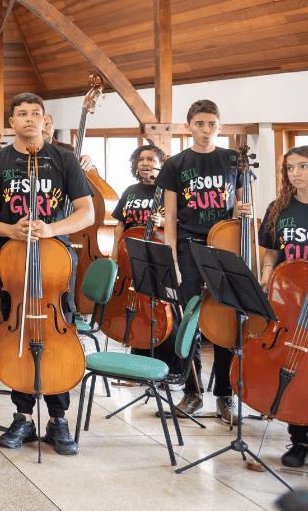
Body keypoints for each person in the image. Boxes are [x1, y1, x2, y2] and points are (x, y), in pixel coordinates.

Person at [0, 92, 93, 456]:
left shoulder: (64, 158)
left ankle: (59, 420)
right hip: (11, 262)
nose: (28, 119)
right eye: (21, 114)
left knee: (56, 335)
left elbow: (86, 213)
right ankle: (22, 416)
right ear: (11, 123)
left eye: (35, 113)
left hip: (55, 262)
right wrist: (12, 231)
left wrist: (52, 230)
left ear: (44, 120)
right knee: (19, 333)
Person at [156, 99, 248, 424]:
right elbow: (169, 218)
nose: (206, 130)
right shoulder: (175, 164)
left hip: (223, 248)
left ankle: (226, 396)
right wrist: (173, 261)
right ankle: (192, 392)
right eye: (200, 124)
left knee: (224, 322)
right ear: (189, 126)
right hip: (188, 248)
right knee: (189, 322)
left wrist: (243, 210)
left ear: (219, 127)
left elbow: (239, 210)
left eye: (212, 124)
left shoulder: (234, 160)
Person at [258, 146, 308, 468]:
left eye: (303, 166)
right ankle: (300, 440)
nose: (296, 173)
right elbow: (271, 253)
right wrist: (265, 275)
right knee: (294, 364)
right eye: (290, 168)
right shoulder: (279, 208)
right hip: (290, 300)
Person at [109, 144, 166, 356]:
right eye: (141, 159)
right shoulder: (130, 191)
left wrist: (162, 221)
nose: (145, 163)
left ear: (161, 165)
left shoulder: (168, 192)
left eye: (151, 159)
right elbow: (120, 226)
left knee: (152, 309)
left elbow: (178, 225)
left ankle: (157, 360)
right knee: (133, 303)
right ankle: (136, 357)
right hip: (129, 254)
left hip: (156, 255)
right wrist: (115, 253)